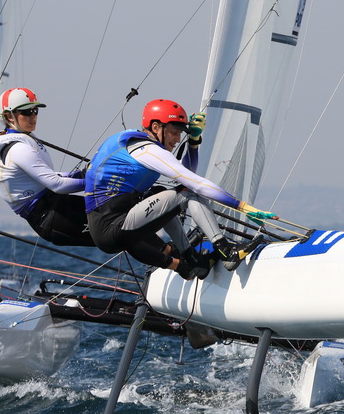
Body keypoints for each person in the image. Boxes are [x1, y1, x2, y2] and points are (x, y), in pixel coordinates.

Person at [85, 99, 276, 279]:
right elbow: (194, 183)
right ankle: (226, 251)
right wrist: (242, 206)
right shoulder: (147, 150)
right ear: (156, 127)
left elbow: (186, 175)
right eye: (174, 132)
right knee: (189, 193)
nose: (177, 139)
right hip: (115, 226)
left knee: (161, 193)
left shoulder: (132, 143)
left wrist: (193, 141)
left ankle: (194, 260)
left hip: (107, 229)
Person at [0, 87, 95, 247]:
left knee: (120, 212)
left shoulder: (16, 138)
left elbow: (47, 176)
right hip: (51, 218)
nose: (33, 116)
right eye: (26, 112)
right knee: (122, 233)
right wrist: (97, 181)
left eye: (35, 110)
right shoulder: (18, 148)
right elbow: (57, 185)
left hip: (59, 204)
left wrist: (80, 175)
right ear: (9, 116)